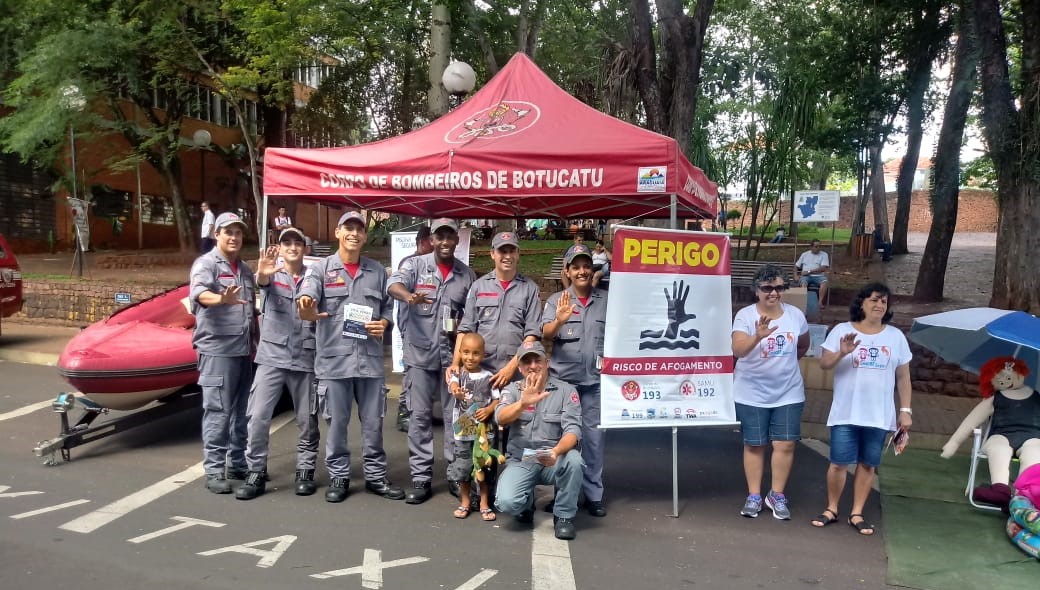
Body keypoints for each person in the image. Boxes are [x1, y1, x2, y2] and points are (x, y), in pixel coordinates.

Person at [297, 210, 405, 503]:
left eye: (359, 229)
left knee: (373, 423)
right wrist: (307, 309)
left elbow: (387, 308)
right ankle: (339, 477)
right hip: (334, 363)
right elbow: (306, 305)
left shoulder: (376, 271)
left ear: (365, 236)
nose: (354, 233)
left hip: (369, 362)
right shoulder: (320, 270)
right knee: (337, 424)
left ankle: (375, 476)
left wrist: (383, 323)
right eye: (348, 228)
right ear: (338, 233)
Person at [387, 218, 476, 505]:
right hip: (420, 356)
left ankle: (456, 473)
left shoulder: (466, 275)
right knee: (420, 417)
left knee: (458, 418)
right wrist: (409, 296)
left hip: (454, 359)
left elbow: (470, 316)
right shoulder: (415, 266)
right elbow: (393, 284)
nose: (446, 242)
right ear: (432, 240)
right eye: (441, 237)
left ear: (457, 240)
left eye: (451, 237)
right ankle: (421, 477)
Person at [812, 282, 912, 535]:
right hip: (846, 411)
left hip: (879, 414)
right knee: (838, 463)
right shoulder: (842, 331)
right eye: (874, 300)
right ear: (862, 303)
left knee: (868, 464)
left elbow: (903, 378)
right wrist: (842, 353)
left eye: (884, 301)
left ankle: (856, 513)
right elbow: (824, 364)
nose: (880, 305)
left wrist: (906, 410)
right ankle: (832, 508)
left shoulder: (895, 336)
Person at [236, 227, 320, 500]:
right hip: (272, 356)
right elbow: (261, 281)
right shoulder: (271, 272)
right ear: (280, 248)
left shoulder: (315, 276)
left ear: (305, 248)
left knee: (307, 420)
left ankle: (305, 470)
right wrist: (262, 272)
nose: (293, 247)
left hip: (305, 356)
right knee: (258, 417)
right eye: (287, 243)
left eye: (298, 242)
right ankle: (255, 472)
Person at [730, 264, 810, 520]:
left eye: (778, 288)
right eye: (767, 288)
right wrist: (758, 336)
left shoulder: (795, 315)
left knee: (785, 443)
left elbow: (803, 345)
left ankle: (776, 494)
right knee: (755, 444)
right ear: (757, 291)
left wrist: (784, 366)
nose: (773, 293)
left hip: (788, 391)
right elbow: (738, 350)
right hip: (751, 391)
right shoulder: (745, 315)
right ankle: (754, 496)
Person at [189, 212, 256, 494]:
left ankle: (237, 462)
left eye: (238, 233)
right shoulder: (206, 264)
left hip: (244, 351)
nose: (234, 237)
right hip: (218, 351)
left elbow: (252, 308)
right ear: (216, 234)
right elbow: (200, 293)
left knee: (241, 412)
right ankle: (215, 469)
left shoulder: (245, 270)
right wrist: (221, 299)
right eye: (228, 232)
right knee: (218, 412)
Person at [542, 244, 608, 518]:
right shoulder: (557, 300)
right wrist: (558, 321)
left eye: (586, 265)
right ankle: (562, 495)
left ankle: (593, 495)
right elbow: (545, 334)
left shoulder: (606, 300)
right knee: (562, 442)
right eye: (576, 266)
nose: (582, 271)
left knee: (593, 441)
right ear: (567, 271)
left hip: (595, 384)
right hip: (564, 385)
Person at [493, 341, 584, 540]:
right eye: (527, 361)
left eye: (537, 360)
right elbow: (500, 417)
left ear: (547, 362)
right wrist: (522, 403)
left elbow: (573, 431)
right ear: (519, 367)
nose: (533, 365)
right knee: (507, 503)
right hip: (522, 460)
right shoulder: (513, 390)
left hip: (553, 457)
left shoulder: (566, 391)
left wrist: (556, 452)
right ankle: (526, 503)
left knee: (575, 461)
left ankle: (564, 516)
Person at [455, 231, 542, 390]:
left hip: (516, 372)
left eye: (512, 251)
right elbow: (466, 329)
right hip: (480, 371)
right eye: (502, 251)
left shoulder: (530, 289)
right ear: (492, 254)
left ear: (518, 254)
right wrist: (455, 364)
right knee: (476, 413)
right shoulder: (478, 287)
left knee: (514, 414)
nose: (507, 256)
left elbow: (532, 334)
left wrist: (510, 368)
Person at [447, 333, 501, 521]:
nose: (470, 357)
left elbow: (497, 399)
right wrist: (458, 393)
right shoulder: (457, 374)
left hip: (484, 431)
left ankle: (484, 502)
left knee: (483, 466)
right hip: (463, 428)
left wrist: (489, 409)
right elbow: (453, 387)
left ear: (483, 355)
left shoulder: (489, 376)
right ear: (460, 353)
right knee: (463, 466)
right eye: (466, 352)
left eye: (476, 353)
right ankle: (465, 501)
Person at [394, 224, 435, 433]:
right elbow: (396, 286)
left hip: (430, 328)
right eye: (432, 240)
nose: (435, 244)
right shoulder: (410, 263)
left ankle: (421, 409)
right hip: (411, 324)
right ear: (422, 241)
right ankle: (404, 412)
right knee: (411, 368)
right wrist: (410, 297)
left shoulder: (434, 264)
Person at [795, 239, 830, 307]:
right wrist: (795, 275)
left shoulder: (824, 254)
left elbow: (823, 268)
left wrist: (809, 271)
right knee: (803, 284)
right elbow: (796, 266)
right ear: (811, 247)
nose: (818, 248)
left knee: (825, 282)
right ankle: (803, 303)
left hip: (819, 276)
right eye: (816, 246)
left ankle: (819, 303)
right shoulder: (804, 254)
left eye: (819, 246)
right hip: (806, 277)